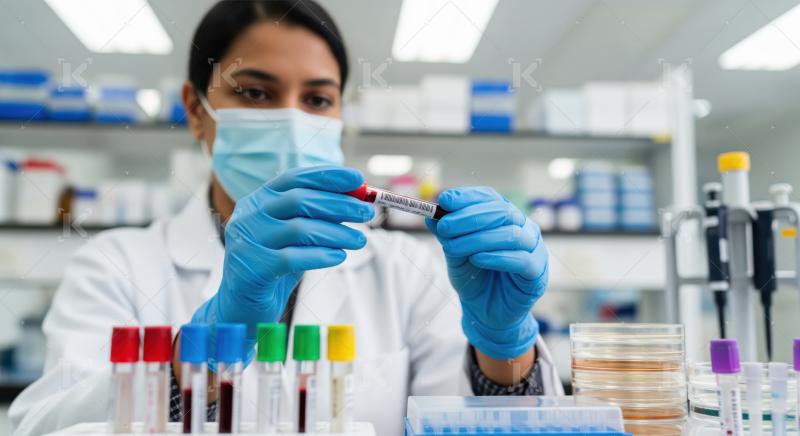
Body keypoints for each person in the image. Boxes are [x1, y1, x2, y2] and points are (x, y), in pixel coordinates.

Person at [9, 1, 559, 435]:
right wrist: (204, 348)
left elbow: (471, 425)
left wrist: (503, 347)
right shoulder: (116, 266)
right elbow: (46, 428)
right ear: (196, 111)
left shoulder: (406, 271)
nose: (291, 120)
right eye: (255, 92)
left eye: (317, 100)